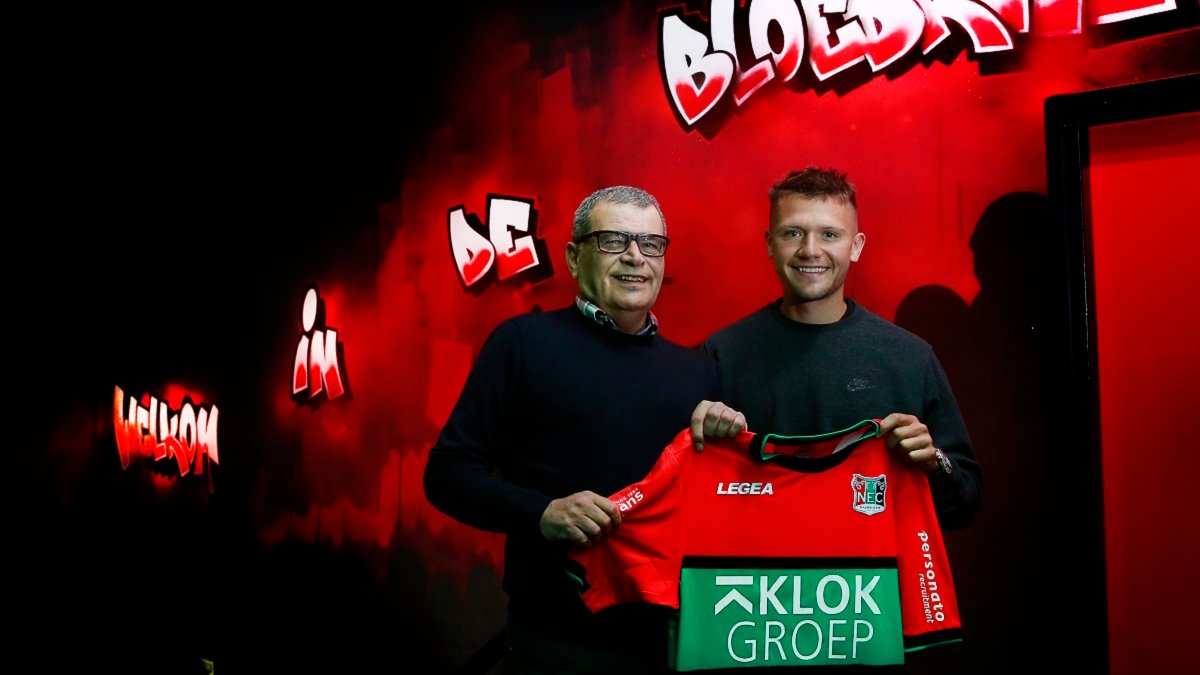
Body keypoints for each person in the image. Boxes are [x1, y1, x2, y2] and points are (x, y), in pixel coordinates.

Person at [424, 185, 739, 674]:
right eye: (613, 240)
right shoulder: (521, 344)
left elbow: (720, 504)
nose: (635, 257)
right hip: (556, 641)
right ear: (574, 257)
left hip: (672, 640)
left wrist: (731, 446)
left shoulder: (699, 372)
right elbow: (446, 474)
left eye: (651, 244)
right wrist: (542, 512)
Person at [699, 167, 981, 530]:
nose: (810, 250)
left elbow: (965, 504)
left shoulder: (910, 358)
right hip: (757, 562)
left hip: (870, 565)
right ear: (770, 243)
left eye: (829, 234)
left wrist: (934, 461)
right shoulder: (722, 354)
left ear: (856, 246)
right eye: (793, 233)